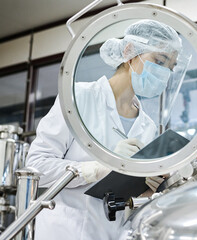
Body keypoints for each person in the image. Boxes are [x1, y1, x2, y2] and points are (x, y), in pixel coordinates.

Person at [26, 19, 185, 240]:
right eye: (159, 61)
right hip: (65, 230)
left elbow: (128, 197)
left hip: (111, 233)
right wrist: (95, 169)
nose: (164, 73)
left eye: (170, 67)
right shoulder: (80, 97)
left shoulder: (147, 126)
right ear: (130, 51)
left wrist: (150, 188)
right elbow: (36, 167)